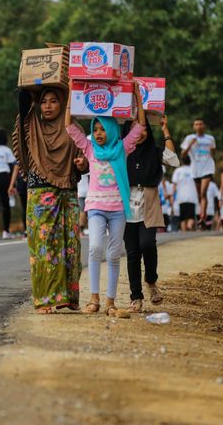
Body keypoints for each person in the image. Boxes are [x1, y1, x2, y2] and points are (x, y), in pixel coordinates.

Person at [66, 82, 146, 317]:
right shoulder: (90, 149)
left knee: (113, 254)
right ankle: (93, 298)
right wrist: (73, 92)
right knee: (95, 249)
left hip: (119, 208)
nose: (99, 133)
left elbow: (140, 125)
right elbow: (69, 126)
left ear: (111, 130)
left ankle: (110, 302)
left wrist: (137, 98)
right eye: (96, 129)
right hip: (96, 208)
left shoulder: (123, 148)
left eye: (103, 129)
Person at [12, 87, 86, 314]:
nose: (48, 106)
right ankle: (45, 299)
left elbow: (86, 157)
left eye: (54, 101)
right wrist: (30, 85)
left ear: (63, 104)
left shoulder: (73, 129)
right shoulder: (31, 127)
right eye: (44, 101)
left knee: (70, 247)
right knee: (44, 248)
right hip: (40, 194)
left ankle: (68, 297)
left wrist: (82, 164)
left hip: (68, 193)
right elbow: (23, 103)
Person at [121, 115, 179, 313]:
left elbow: (173, 160)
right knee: (132, 253)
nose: (139, 133)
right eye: (134, 129)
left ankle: (151, 281)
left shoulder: (155, 152)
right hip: (125, 206)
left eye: (143, 128)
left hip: (149, 203)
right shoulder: (122, 152)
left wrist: (165, 130)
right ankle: (135, 297)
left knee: (147, 244)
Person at [180, 119, 216, 228]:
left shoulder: (210, 138)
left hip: (207, 168)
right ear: (194, 126)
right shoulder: (189, 138)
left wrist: (212, 151)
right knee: (200, 194)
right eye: (196, 124)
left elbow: (213, 153)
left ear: (204, 126)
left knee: (203, 192)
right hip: (195, 170)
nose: (199, 126)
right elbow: (183, 155)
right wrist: (190, 145)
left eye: (201, 124)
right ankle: (202, 212)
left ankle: (203, 216)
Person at [172, 157, 199, 232]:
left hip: (181, 197)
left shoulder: (178, 171)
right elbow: (198, 184)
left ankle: (184, 233)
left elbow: (174, 186)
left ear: (182, 162)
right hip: (192, 197)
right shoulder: (194, 170)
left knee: (183, 218)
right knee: (191, 217)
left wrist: (172, 197)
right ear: (190, 161)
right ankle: (189, 226)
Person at [7, 163, 29, 237]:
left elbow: (16, 168)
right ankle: (29, 229)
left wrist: (11, 185)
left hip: (23, 181)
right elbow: (16, 167)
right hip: (34, 181)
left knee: (25, 207)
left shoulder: (21, 151)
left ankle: (27, 230)